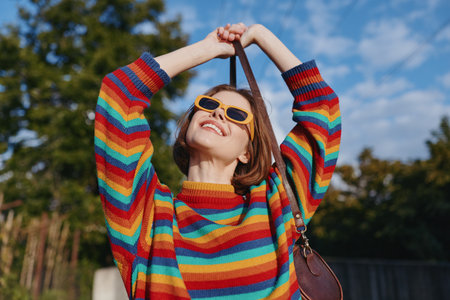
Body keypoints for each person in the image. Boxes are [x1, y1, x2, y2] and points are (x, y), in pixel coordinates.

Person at [95, 23, 341, 299]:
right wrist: (209, 48)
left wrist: (260, 35)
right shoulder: (149, 218)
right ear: (189, 125)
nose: (219, 114)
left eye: (237, 115)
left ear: (247, 152)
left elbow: (323, 110)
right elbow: (119, 95)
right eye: (209, 105)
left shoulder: (277, 203)